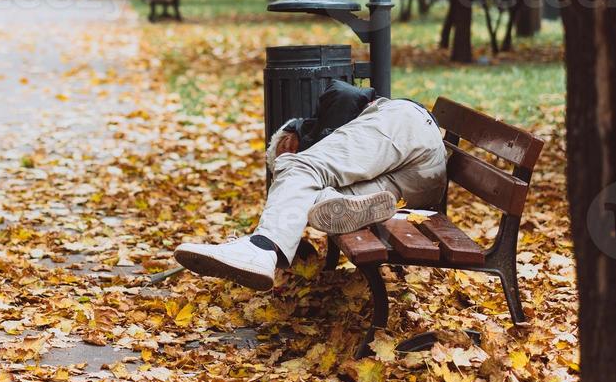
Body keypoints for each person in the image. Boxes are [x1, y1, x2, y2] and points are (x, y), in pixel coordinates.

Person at [174, 81, 448, 290]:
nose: (287, 152)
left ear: (292, 133)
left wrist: (299, 151)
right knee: (322, 199)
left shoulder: (331, 106)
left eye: (285, 146)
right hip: (419, 183)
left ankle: (261, 247)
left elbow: (346, 93)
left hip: (407, 125)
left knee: (303, 168)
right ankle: (333, 203)